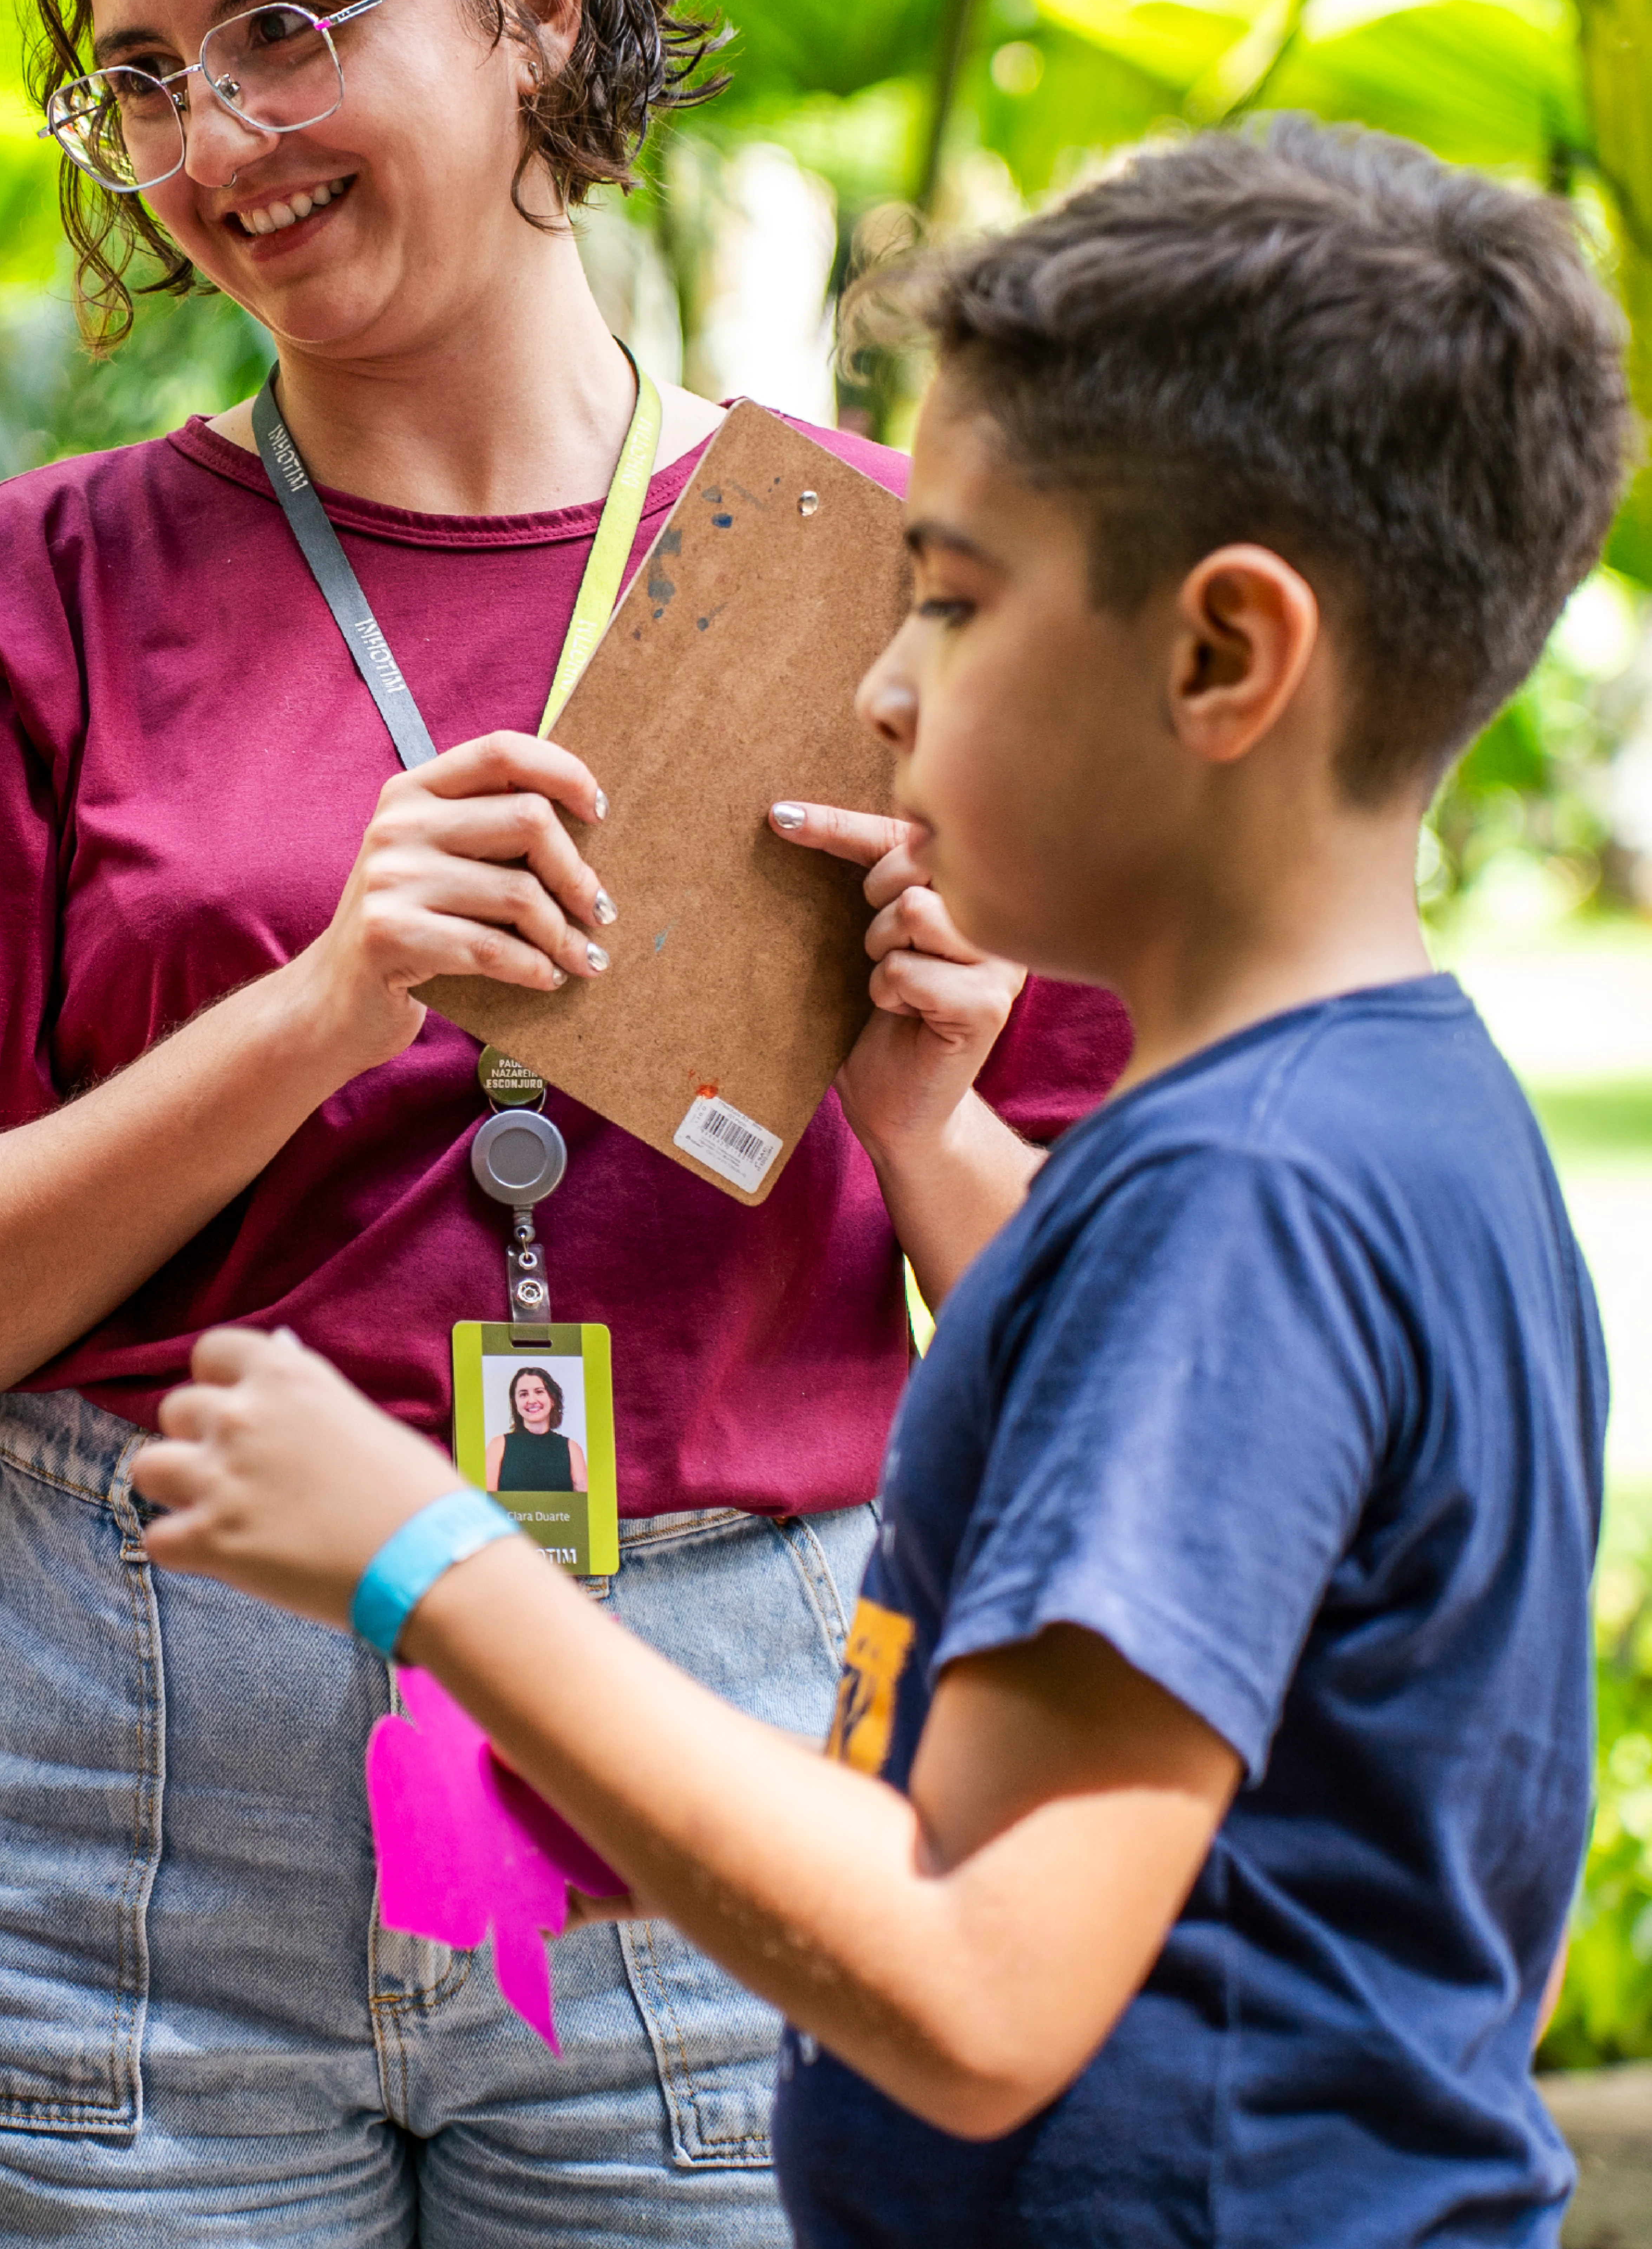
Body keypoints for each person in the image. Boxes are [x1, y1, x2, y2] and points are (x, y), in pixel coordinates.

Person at [0, 0, 1128, 2244]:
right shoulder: (20, 599)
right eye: (140, 70)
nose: (205, 136)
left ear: (530, 3)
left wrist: (924, 1114)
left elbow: (1099, 1363)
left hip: (715, 1758)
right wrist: (319, 1008)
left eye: (282, 23)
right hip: (110, 1803)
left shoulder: (896, 579)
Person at [133, 117, 1629, 2247]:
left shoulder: (1244, 1205)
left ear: (1221, 657)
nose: (879, 687)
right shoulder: (1383, 1122)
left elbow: (980, 1983)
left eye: (949, 597)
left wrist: (425, 1562)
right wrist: (919, 1122)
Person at [487, 1365, 584, 1494]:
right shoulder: (498, 1446)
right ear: (515, 1403)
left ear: (553, 1399)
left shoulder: (572, 1448)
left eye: (539, 1392)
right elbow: (486, 1503)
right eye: (524, 1394)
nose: (532, 1400)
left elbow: (584, 1505)